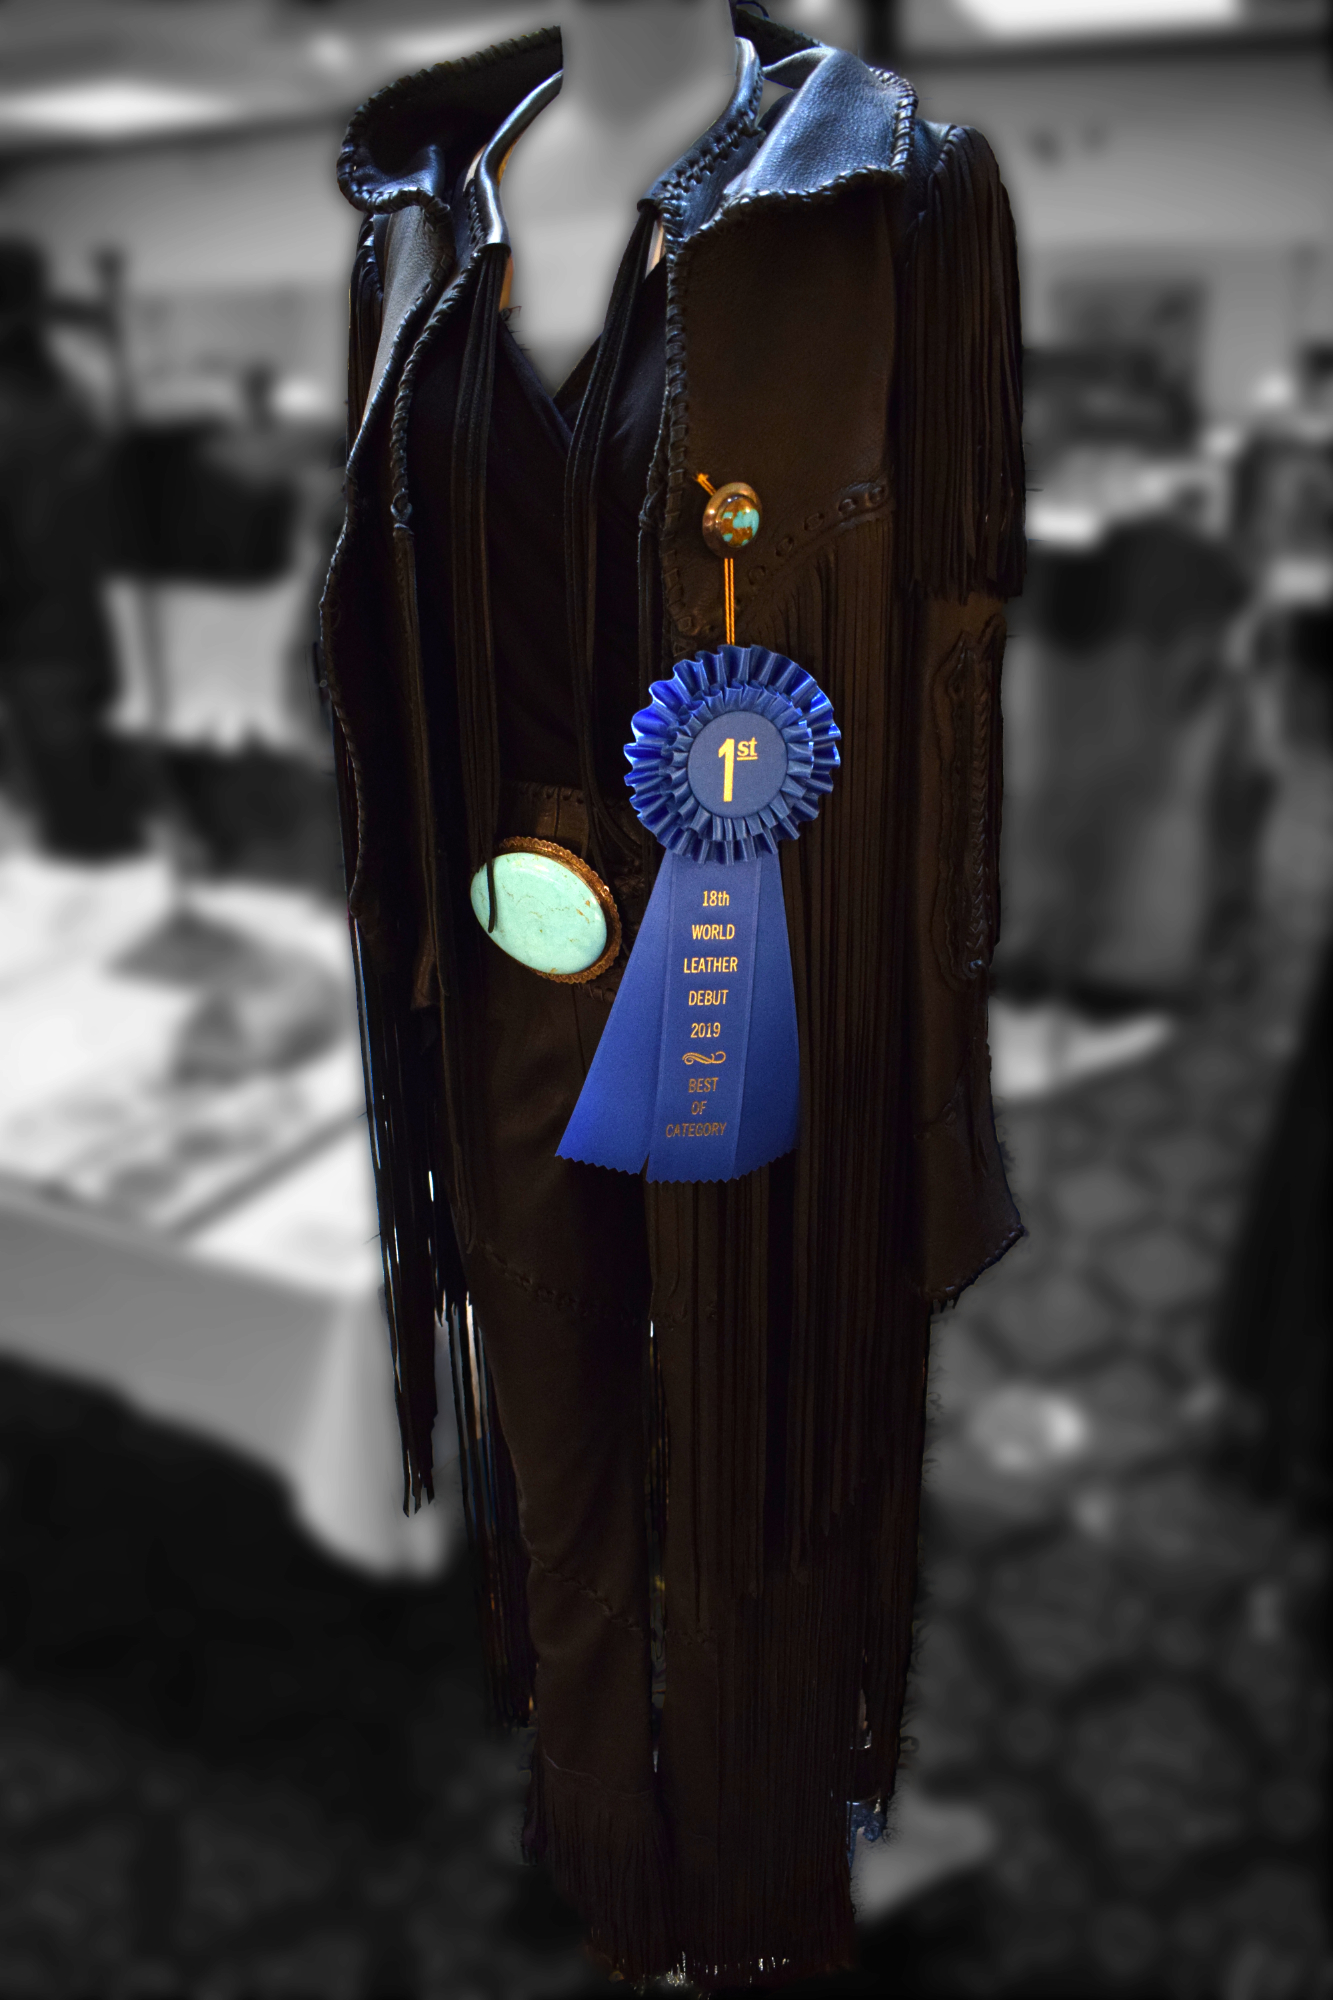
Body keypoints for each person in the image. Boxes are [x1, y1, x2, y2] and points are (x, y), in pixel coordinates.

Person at [322, 2, 1024, 1984]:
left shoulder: (896, 196)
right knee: (551, 1411)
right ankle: (594, 1834)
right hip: (494, 946)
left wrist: (933, 1072)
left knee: (753, 1435)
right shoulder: (434, 199)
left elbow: (950, 657)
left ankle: (756, 1877)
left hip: (764, 947)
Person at [0, 239, 140, 858]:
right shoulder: (65, 395)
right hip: (74, 619)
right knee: (83, 780)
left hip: (45, 628)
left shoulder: (45, 400)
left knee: (75, 798)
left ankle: (92, 850)